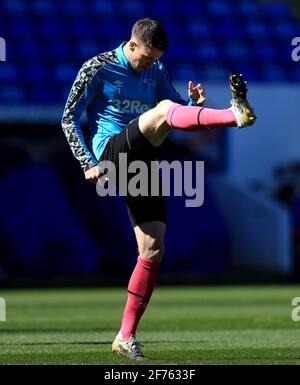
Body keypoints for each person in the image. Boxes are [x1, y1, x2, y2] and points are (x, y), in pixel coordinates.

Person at [61, 18, 256, 360]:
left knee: (152, 248)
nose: (151, 64)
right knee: (163, 110)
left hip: (142, 161)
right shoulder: (98, 68)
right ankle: (233, 115)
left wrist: (193, 107)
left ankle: (125, 337)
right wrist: (86, 162)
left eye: (156, 59)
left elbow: (174, 117)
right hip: (110, 154)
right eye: (147, 58)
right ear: (132, 45)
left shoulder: (156, 70)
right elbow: (69, 117)